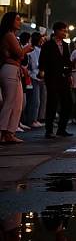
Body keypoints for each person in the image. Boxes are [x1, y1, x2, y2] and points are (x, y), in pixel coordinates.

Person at [0, 12, 33, 143]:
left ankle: (10, 132)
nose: (20, 22)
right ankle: (3, 131)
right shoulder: (8, 35)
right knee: (9, 102)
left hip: (15, 70)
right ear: (10, 21)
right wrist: (27, 48)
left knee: (18, 104)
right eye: (18, 19)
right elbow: (19, 53)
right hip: (9, 70)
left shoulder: (13, 36)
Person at [38, 21, 73, 138]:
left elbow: (68, 61)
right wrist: (42, 71)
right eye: (63, 30)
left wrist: (69, 74)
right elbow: (42, 59)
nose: (65, 33)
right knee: (52, 103)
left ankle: (61, 128)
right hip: (52, 77)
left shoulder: (66, 45)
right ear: (56, 31)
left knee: (67, 102)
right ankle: (49, 130)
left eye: (65, 30)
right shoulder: (48, 45)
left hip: (63, 78)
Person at [25, 32, 44, 128]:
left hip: (38, 76)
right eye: (41, 38)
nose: (42, 40)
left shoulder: (38, 49)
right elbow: (35, 63)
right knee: (35, 100)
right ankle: (32, 120)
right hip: (34, 76)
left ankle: (35, 119)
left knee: (37, 100)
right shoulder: (32, 50)